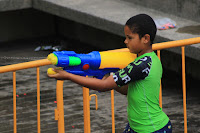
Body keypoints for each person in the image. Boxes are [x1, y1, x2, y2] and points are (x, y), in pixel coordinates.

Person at [48, 14, 172, 133]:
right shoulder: (150, 59)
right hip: (137, 127)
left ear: (145, 38)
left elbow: (104, 86)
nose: (125, 41)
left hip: (152, 128)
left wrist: (68, 76)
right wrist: (107, 76)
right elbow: (128, 90)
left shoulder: (142, 64)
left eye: (130, 38)